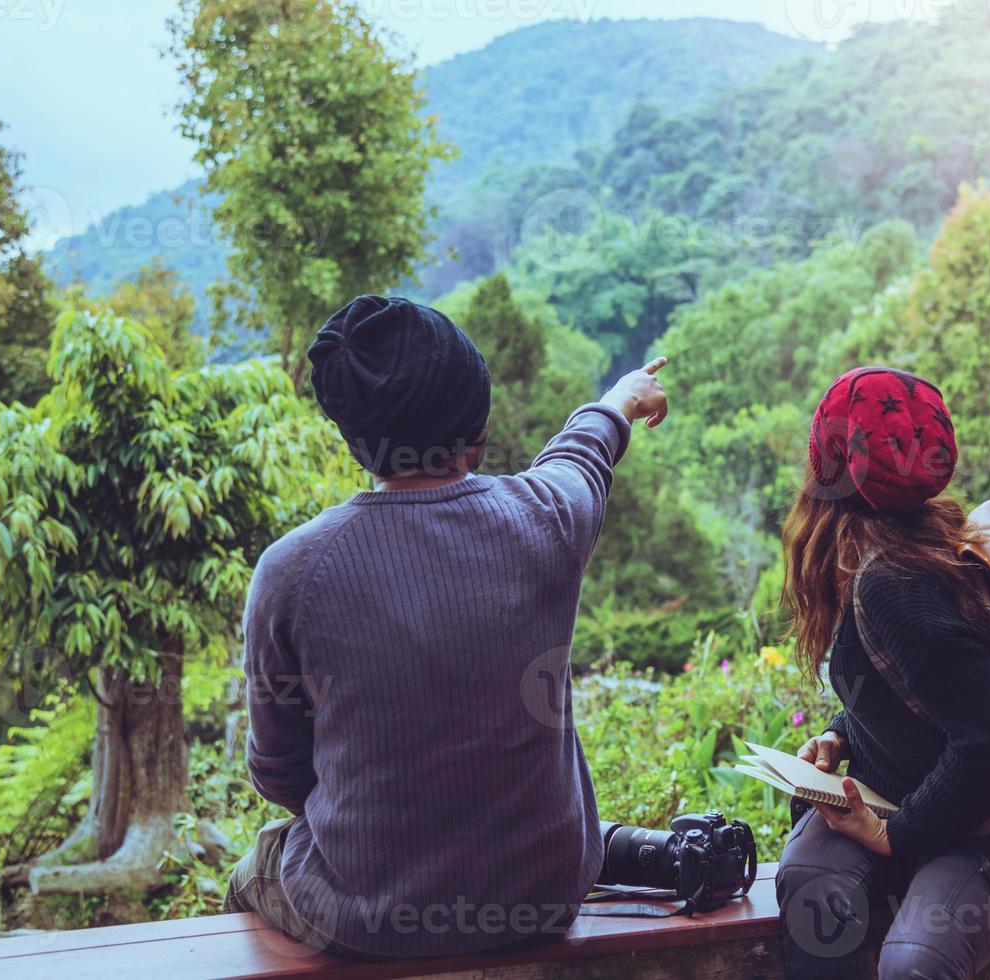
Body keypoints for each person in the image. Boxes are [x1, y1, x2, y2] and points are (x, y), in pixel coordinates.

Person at [223, 295, 668, 959]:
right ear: (480, 426)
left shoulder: (290, 572)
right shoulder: (546, 519)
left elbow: (280, 774)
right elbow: (582, 456)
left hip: (369, 915)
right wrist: (621, 399)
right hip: (542, 897)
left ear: (351, 438)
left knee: (256, 865)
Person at [776, 367, 990, 979]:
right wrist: (842, 734)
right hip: (893, 800)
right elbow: (919, 686)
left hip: (986, 834)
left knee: (913, 968)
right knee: (809, 886)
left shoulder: (892, 583)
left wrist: (895, 837)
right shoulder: (912, 542)